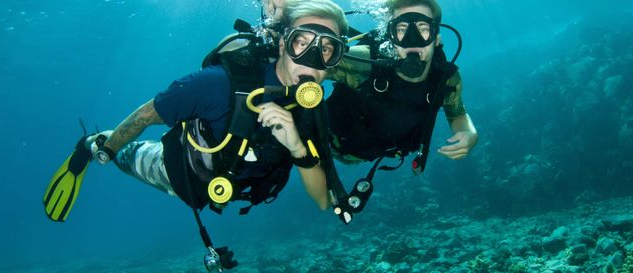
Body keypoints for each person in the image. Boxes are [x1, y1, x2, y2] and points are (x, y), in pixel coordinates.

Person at [43, 0, 348, 270]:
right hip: (183, 174)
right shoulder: (217, 84)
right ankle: (91, 143)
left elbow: (322, 200)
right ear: (283, 44)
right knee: (131, 156)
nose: (312, 59)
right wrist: (105, 152)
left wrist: (296, 146)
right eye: (301, 43)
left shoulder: (310, 110)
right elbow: (147, 114)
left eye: (325, 49)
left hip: (239, 191)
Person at [323, 0, 478, 221]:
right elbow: (303, 66)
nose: (412, 40)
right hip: (334, 145)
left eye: (423, 29)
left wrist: (470, 134)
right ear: (390, 36)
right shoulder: (362, 61)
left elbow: (458, 114)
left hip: (384, 151)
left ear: (437, 37)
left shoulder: (445, 78)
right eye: (402, 29)